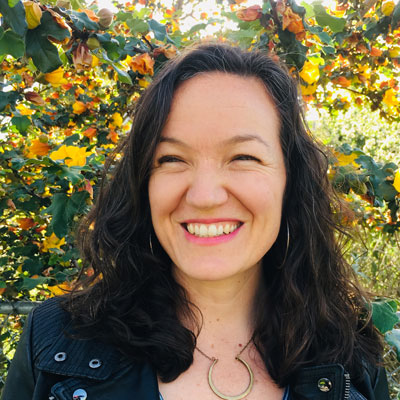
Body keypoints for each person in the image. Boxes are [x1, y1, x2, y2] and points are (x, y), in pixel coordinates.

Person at [2, 43, 390, 400]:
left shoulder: (352, 357)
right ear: (143, 183)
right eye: (171, 159)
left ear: (292, 182)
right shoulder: (54, 341)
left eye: (243, 158)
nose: (204, 196)